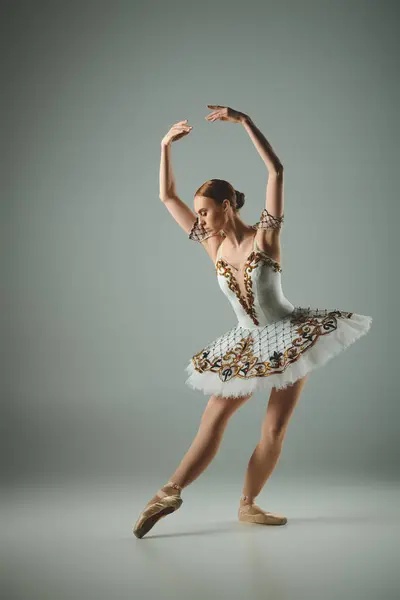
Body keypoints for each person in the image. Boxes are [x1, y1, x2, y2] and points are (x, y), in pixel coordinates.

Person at [133, 105, 373, 539]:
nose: (200, 220)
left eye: (205, 212)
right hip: (244, 342)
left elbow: (276, 172)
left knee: (275, 426)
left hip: (290, 337)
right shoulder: (212, 245)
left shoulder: (266, 237)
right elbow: (168, 197)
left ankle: (248, 505)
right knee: (213, 420)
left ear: (226, 206)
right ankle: (168, 493)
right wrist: (164, 146)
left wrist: (245, 123)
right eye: (199, 214)